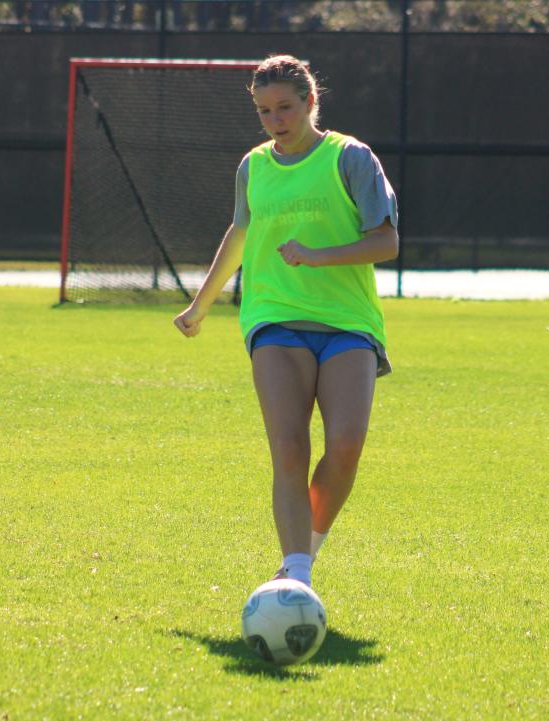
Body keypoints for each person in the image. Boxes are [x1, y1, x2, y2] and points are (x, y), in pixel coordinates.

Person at [174, 55, 398, 588]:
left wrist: (318, 255)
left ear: (310, 102)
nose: (275, 120)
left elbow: (386, 242)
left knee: (345, 447)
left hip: (348, 322)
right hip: (273, 317)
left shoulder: (351, 157)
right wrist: (200, 306)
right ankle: (296, 574)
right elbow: (241, 234)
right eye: (264, 111)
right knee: (290, 447)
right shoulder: (253, 166)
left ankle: (303, 555)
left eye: (285, 108)